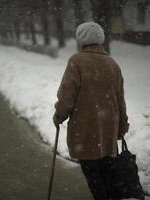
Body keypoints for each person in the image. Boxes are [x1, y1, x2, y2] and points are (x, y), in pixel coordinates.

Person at [53, 22, 129, 200]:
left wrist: (59, 115)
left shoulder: (77, 61)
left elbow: (67, 95)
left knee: (93, 176)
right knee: (108, 177)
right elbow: (120, 101)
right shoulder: (112, 64)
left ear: (81, 39)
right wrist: (122, 126)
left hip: (85, 131)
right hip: (108, 132)